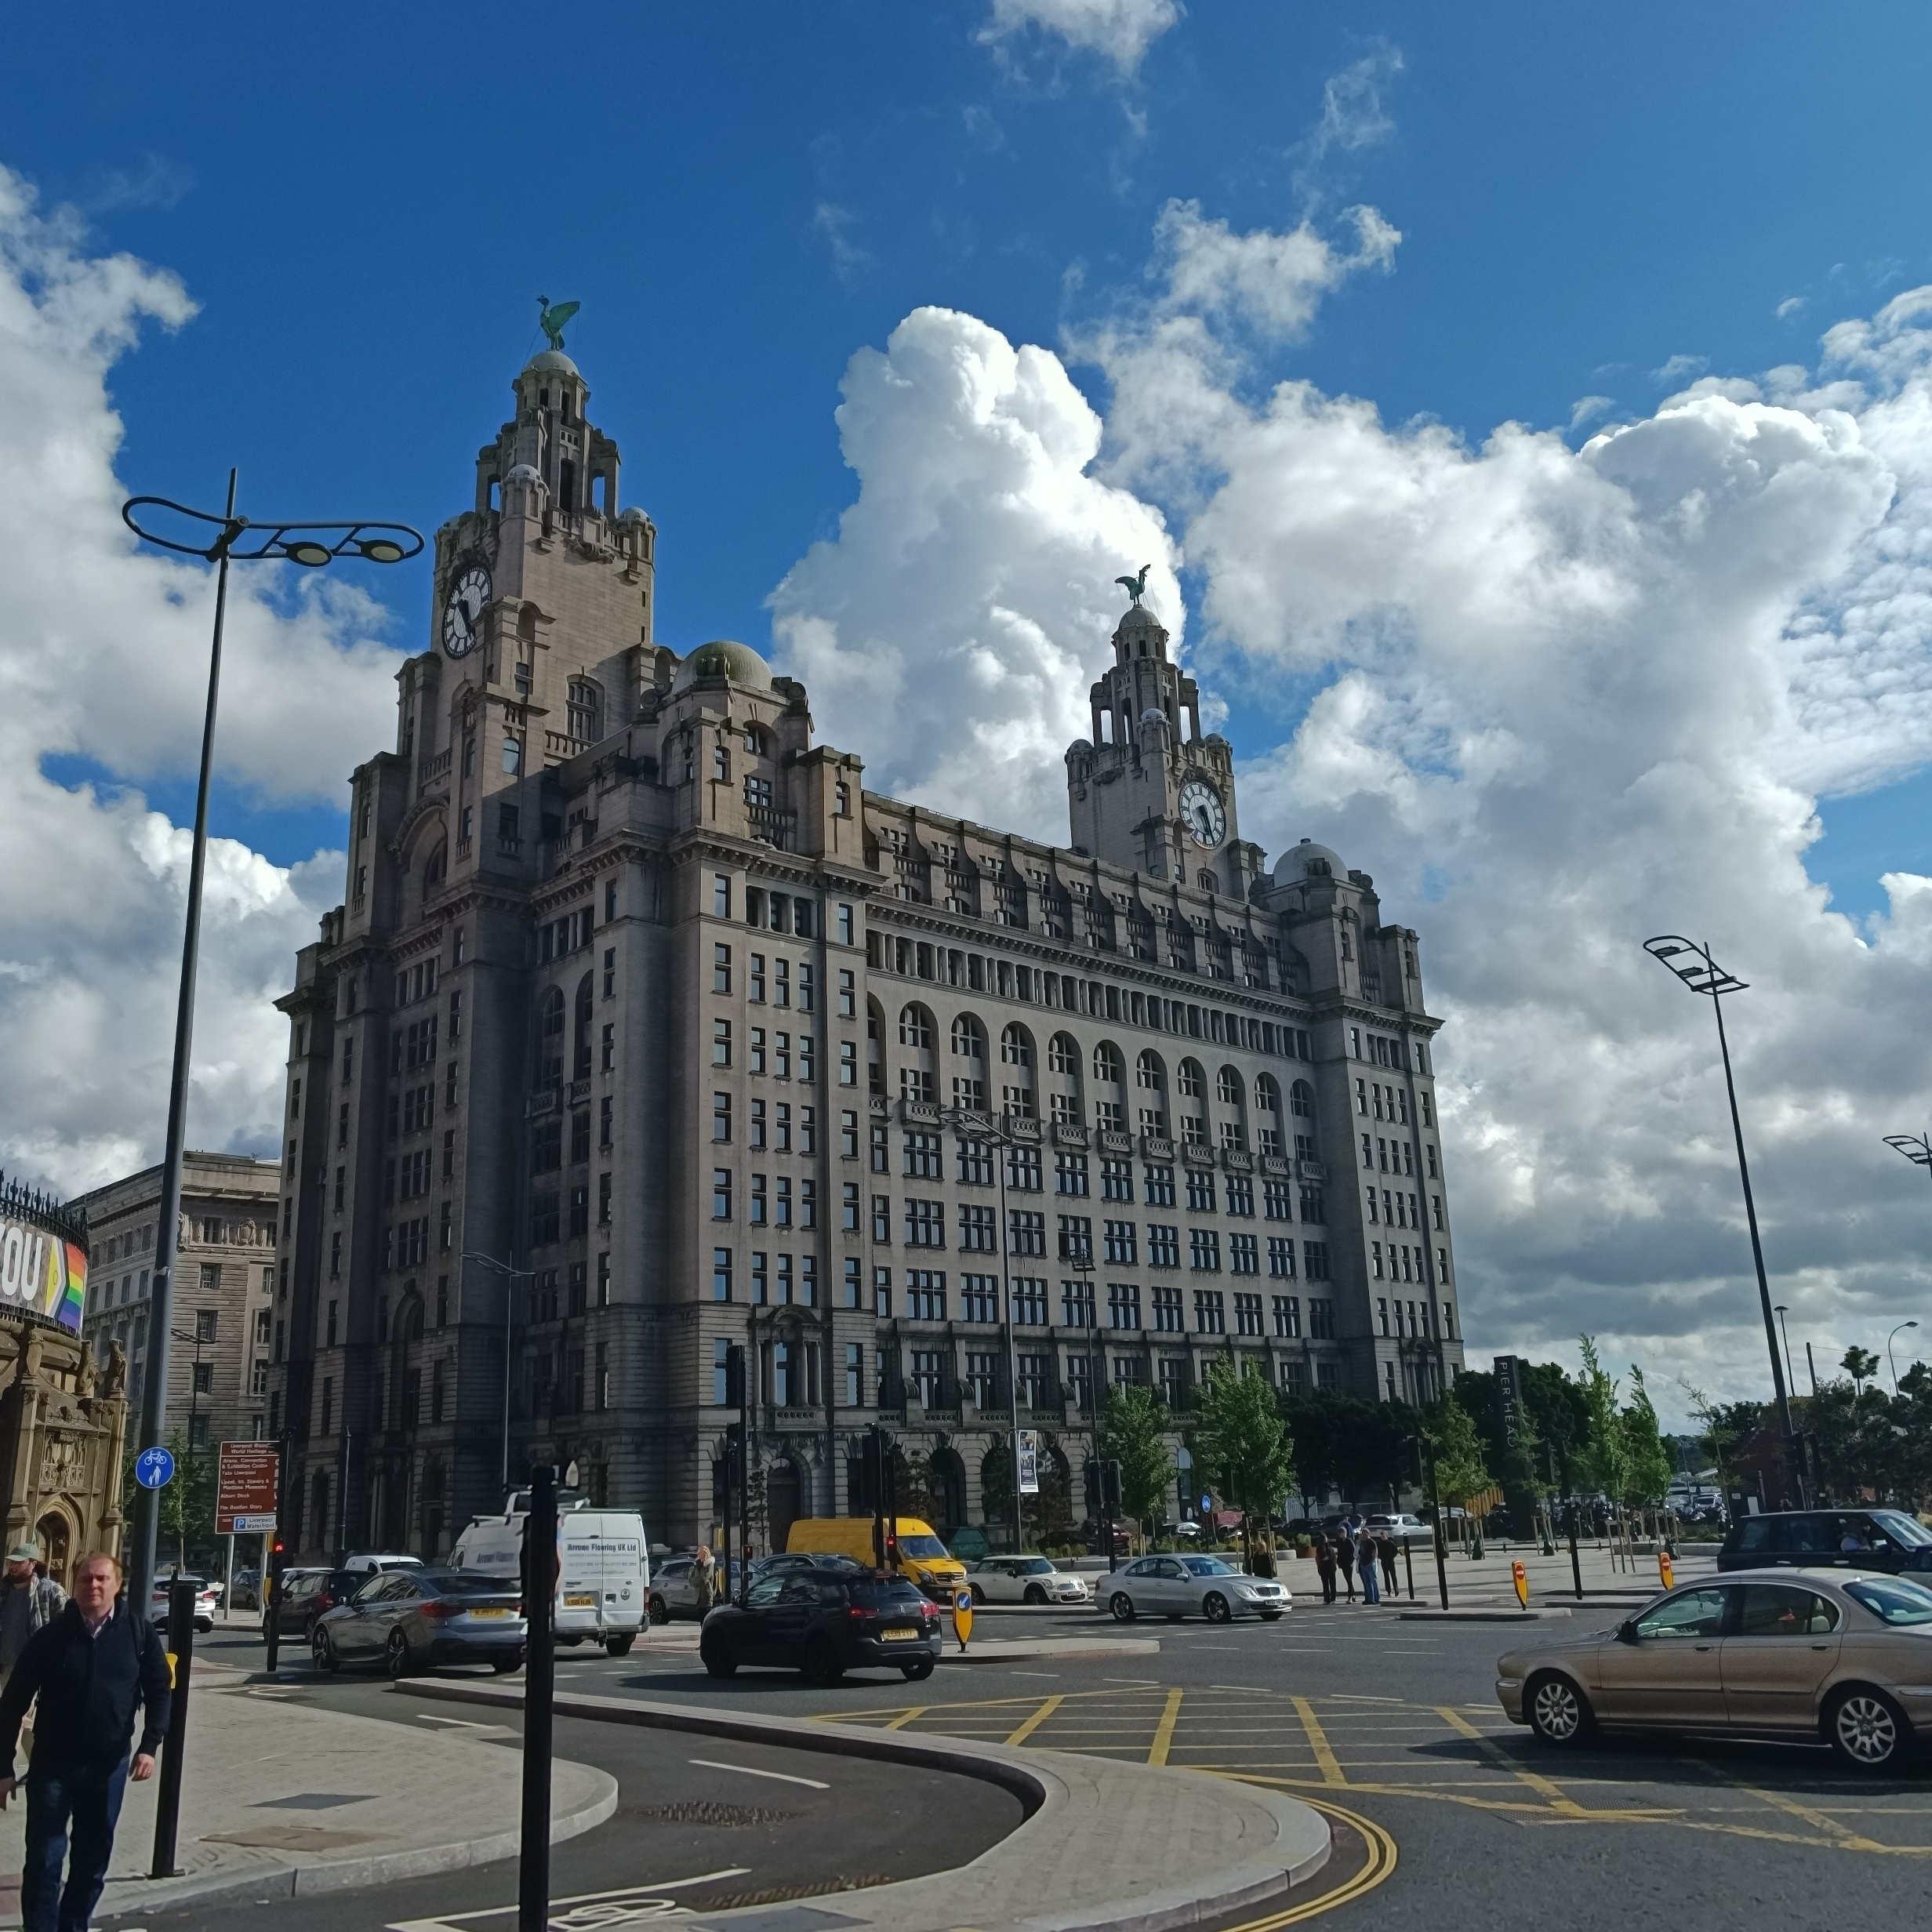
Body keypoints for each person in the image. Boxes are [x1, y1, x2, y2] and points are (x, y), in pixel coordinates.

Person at [0, 1552, 171, 1932]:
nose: (92, 1586)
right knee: (44, 1859)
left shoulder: (138, 1634)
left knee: (92, 1862)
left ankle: (73, 1925)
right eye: (84, 1579)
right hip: (52, 1766)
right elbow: (12, 1701)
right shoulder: (51, 1638)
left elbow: (159, 1691)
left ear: (117, 1585)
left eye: (101, 1579)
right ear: (74, 1584)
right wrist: (3, 1766)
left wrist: (149, 1745)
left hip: (106, 1768)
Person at [0, 1543, 65, 1692]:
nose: (13, 1566)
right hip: (5, 1665)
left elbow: (67, 1622)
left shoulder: (50, 1590)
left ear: (32, 1564)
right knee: (6, 1713)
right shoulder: (3, 1590)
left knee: (26, 1714)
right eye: (11, 1562)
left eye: (19, 1562)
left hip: (32, 1665)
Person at [691, 1544, 717, 1616]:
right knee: (701, 1621)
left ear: (705, 1554)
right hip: (698, 1598)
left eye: (700, 1553)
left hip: (706, 1597)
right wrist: (698, 1564)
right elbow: (691, 1580)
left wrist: (703, 1564)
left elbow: (703, 1579)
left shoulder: (709, 1565)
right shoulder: (698, 1565)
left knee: (706, 1620)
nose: (698, 1555)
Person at [1357, 1528, 1381, 1605]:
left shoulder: (1371, 1542)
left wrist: (1371, 1562)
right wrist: (1359, 1541)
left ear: (1368, 1534)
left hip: (1370, 1564)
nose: (1363, 1534)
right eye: (1362, 1533)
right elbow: (1358, 1551)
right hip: (1363, 1564)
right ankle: (1369, 1598)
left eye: (1365, 1533)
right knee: (1367, 1582)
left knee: (1373, 1580)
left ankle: (1376, 1598)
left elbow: (1375, 1553)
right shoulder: (1362, 1542)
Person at [1313, 1536, 1337, 1606]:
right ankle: (1333, 1598)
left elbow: (1317, 1559)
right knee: (1332, 1582)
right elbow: (1334, 1557)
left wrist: (1319, 1567)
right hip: (1330, 1565)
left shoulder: (1318, 1549)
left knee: (1325, 1584)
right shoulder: (1329, 1547)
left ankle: (1326, 1599)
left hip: (1323, 1566)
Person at [1335, 1528, 1356, 1602]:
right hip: (1343, 1563)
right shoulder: (1340, 1541)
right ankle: (1353, 1593)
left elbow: (1354, 1552)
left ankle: (1350, 1596)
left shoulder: (1349, 1541)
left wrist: (1351, 1561)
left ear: (1345, 1533)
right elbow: (1339, 1552)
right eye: (1340, 1533)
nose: (1341, 1534)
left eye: (1342, 1533)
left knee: (1349, 1579)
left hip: (1349, 1563)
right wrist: (1338, 1562)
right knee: (1347, 1579)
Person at [1378, 1532, 1400, 1600]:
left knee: (1393, 1576)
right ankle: (1389, 1591)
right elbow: (1378, 1552)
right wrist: (1380, 1557)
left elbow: (1395, 1551)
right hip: (1384, 1562)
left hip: (1391, 1561)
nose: (1382, 1537)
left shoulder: (1391, 1543)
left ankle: (1396, 1590)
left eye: (1383, 1536)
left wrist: (1391, 1557)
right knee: (1386, 1576)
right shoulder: (1379, 1544)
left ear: (1386, 1536)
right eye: (1381, 1536)